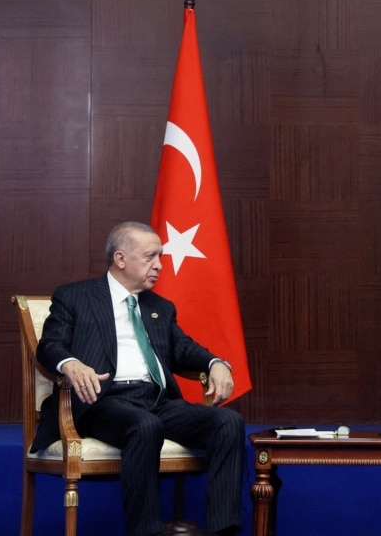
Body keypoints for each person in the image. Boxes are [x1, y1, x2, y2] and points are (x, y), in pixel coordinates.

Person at [30, 221, 245, 536]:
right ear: (120, 259)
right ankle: (146, 531)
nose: (159, 265)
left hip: (155, 401)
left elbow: (184, 349)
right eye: (150, 257)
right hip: (102, 401)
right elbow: (49, 346)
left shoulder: (160, 307)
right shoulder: (75, 296)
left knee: (228, 421)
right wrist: (71, 363)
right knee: (145, 425)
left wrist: (216, 363)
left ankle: (222, 530)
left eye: (160, 257)